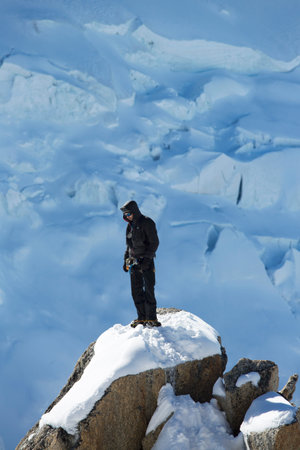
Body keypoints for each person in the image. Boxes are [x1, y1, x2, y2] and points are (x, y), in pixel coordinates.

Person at [120, 200, 161, 327]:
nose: (127, 217)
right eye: (125, 215)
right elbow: (129, 246)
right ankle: (142, 318)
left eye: (128, 214)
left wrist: (147, 260)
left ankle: (151, 319)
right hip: (134, 262)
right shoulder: (130, 226)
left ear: (134, 211)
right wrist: (126, 260)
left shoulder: (147, 222)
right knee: (136, 291)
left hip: (146, 262)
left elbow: (154, 243)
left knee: (149, 290)